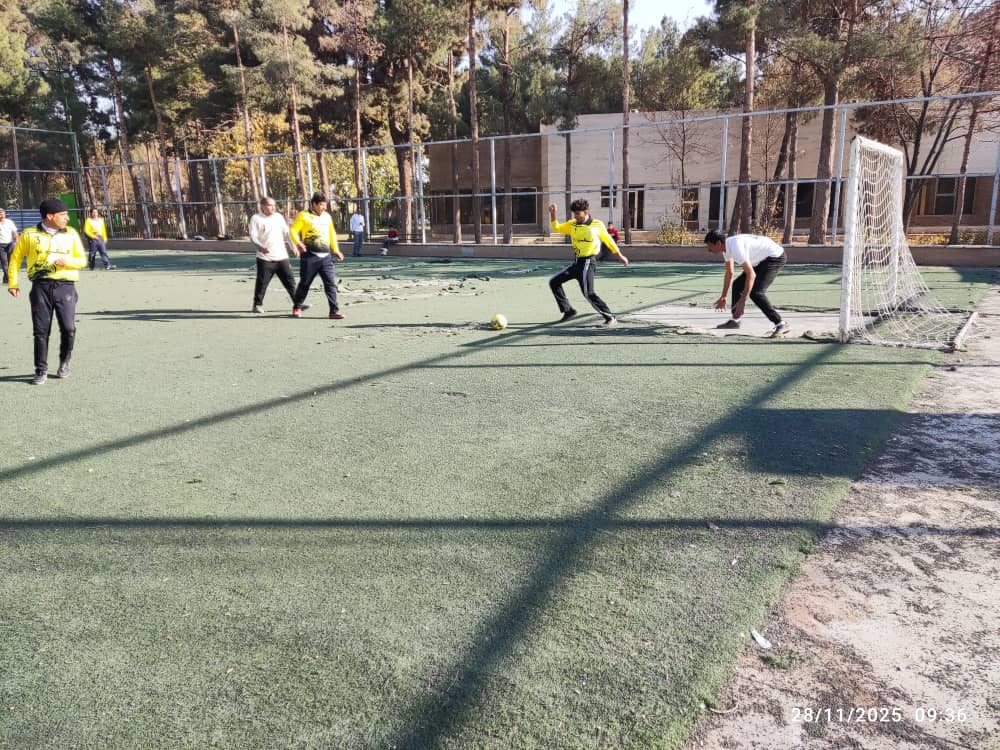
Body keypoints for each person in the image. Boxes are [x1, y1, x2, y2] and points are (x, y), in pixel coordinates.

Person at [7, 198, 88, 385]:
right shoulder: (29, 234)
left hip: (66, 287)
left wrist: (67, 262)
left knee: (69, 328)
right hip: (40, 287)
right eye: (63, 215)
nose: (67, 218)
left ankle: (64, 362)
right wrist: (13, 283)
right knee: (41, 331)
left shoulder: (71, 233)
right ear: (50, 216)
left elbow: (82, 261)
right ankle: (40, 370)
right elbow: (16, 259)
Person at [547, 199, 629, 326]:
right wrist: (553, 214)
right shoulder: (572, 224)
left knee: (588, 293)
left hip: (588, 263)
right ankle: (568, 311)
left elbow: (609, 241)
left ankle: (610, 317)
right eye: (574, 214)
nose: (576, 217)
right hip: (577, 263)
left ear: (586, 212)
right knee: (554, 282)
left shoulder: (597, 225)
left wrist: (620, 255)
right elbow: (557, 227)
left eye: (578, 214)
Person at [704, 230, 789, 337]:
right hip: (760, 260)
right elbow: (730, 273)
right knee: (737, 285)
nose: (708, 250)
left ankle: (781, 323)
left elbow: (751, 275)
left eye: (710, 246)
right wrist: (724, 296)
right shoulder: (726, 248)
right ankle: (735, 320)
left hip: (775, 257)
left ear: (718, 243)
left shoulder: (736, 247)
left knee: (756, 292)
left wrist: (742, 301)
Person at [289, 192, 345, 319]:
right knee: (305, 283)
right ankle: (297, 306)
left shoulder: (327, 217)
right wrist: (298, 243)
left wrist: (336, 250)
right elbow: (293, 230)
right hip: (310, 256)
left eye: (325, 205)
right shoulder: (303, 215)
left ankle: (334, 311)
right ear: (314, 204)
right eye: (321, 205)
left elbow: (331, 233)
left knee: (331, 284)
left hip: (326, 257)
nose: (324, 207)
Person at [248, 196, 305, 313]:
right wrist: (260, 247)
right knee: (262, 283)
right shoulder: (256, 218)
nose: (273, 208)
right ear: (263, 206)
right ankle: (257, 305)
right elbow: (253, 236)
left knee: (290, 282)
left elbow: (287, 233)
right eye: (270, 205)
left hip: (282, 256)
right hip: (265, 258)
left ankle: (298, 303)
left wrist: (293, 246)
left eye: (274, 205)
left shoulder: (278, 217)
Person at [0, 208, 18, 285]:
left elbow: (14, 232)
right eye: (0, 213)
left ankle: (5, 278)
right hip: (1, 246)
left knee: (10, 262)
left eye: (2, 213)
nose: (1, 215)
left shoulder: (9, 222)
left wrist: (17, 241)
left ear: (4, 214)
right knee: (4, 263)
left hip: (10, 244)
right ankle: (9, 279)